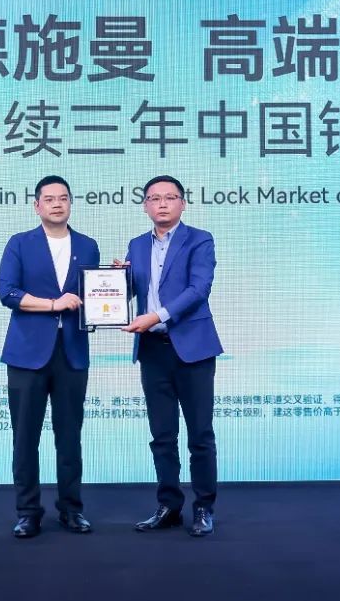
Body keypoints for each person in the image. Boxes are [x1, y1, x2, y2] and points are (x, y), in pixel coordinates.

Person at [0, 175, 101, 538]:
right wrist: (53, 304)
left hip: (72, 352)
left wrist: (118, 285)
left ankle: (72, 509)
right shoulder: (20, 243)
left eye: (64, 198)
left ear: (71, 203)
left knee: (70, 436)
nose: (57, 204)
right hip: (27, 354)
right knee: (25, 437)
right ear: (36, 205)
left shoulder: (88, 246)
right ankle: (28, 512)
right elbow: (7, 292)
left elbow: (94, 297)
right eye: (50, 198)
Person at [120, 175, 222, 537]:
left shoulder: (200, 239)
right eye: (154, 198)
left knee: (200, 435)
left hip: (192, 349)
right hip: (152, 350)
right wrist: (116, 280)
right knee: (162, 435)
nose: (162, 203)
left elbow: (199, 289)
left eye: (170, 197)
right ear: (145, 205)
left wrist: (157, 316)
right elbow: (130, 291)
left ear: (182, 203)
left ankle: (204, 507)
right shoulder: (136, 245)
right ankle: (169, 506)